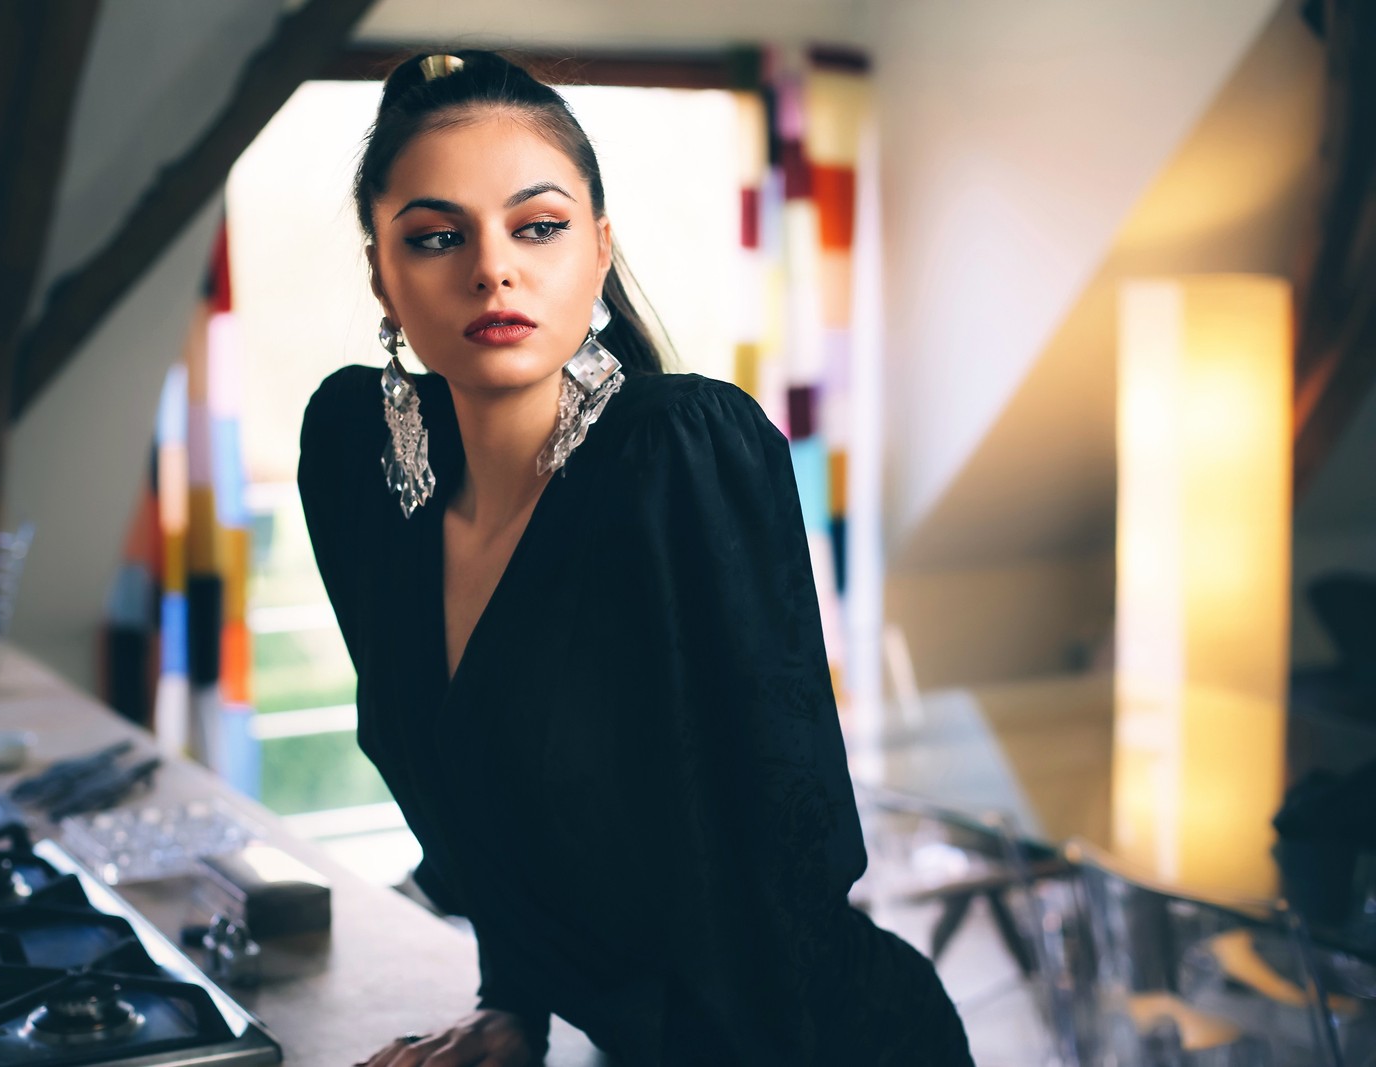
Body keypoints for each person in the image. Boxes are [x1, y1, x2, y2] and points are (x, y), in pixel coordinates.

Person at [298, 49, 972, 1067]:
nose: (492, 268)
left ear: (599, 250)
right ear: (381, 276)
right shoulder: (362, 463)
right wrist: (513, 999)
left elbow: (781, 873)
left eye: (538, 226)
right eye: (437, 237)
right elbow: (478, 793)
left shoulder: (681, 453)